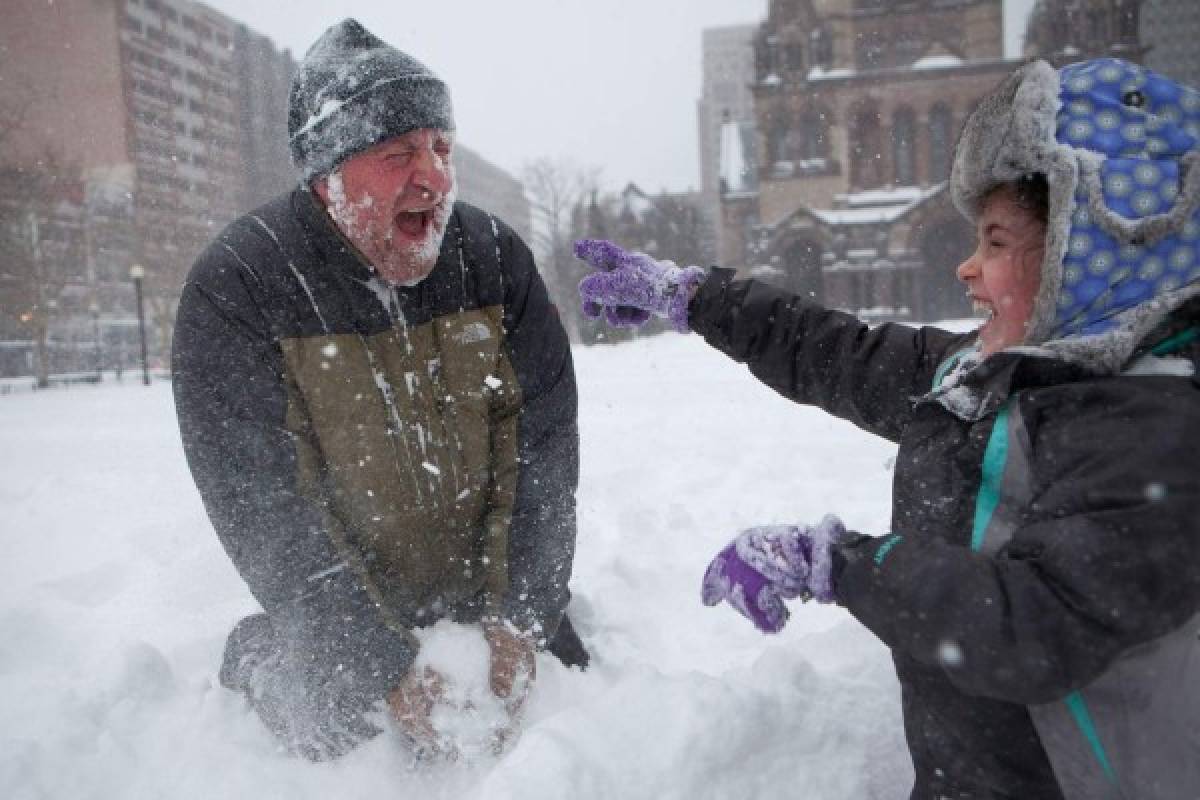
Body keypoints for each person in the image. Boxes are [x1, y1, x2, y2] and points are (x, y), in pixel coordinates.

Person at [575, 57, 1200, 800]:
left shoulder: (1153, 427)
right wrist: (694, 298)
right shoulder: (1000, 378)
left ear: (1095, 253)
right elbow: (847, 354)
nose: (967, 268)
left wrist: (839, 563)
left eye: (997, 243)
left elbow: (1037, 625)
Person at [172, 18, 586, 761]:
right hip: (345, 611)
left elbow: (544, 454)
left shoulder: (493, 257)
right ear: (328, 177)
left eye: (441, 150)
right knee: (334, 736)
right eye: (399, 155)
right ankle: (263, 656)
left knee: (574, 698)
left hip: (484, 593)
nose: (433, 177)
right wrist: (374, 662)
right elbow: (258, 500)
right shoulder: (239, 286)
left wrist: (519, 619)